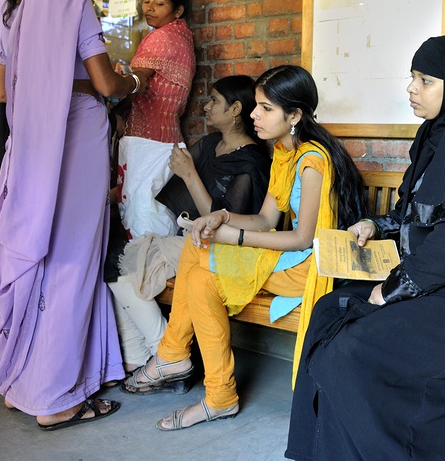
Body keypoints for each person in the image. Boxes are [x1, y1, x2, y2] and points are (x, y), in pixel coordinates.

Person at [286, 35, 445, 460]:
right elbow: (420, 213)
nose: (412, 88)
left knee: (351, 350)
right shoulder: (439, 134)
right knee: (331, 311)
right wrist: (374, 224)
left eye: (425, 80)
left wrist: (390, 291)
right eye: (412, 78)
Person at [123, 65, 365, 432]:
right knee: (201, 262)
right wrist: (219, 217)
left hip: (310, 267)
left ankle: (175, 358)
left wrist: (232, 237)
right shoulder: (285, 153)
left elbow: (303, 238)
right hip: (290, 257)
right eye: (257, 105)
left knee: (201, 254)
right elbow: (266, 220)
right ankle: (216, 394)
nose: (254, 114)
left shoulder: (313, 161)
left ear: (295, 115)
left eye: (266, 108)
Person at [0, 0, 147, 430]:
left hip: (29, 141)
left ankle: (21, 383)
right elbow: (103, 83)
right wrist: (130, 82)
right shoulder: (73, 1)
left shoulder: (1, 10)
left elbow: (3, 92)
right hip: (75, 138)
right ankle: (56, 399)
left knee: (36, 254)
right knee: (73, 261)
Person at [108, 75, 271, 373]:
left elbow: (222, 225)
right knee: (115, 261)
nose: (206, 107)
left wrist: (190, 175)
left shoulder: (251, 161)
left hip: (225, 247)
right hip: (191, 237)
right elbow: (175, 194)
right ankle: (138, 354)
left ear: (235, 109)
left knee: (121, 264)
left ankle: (164, 350)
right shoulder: (210, 144)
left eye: (214, 101)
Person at [121, 0, 195, 143]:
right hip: (169, 134)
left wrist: (116, 111)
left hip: (145, 135)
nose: (149, 8)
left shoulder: (161, 37)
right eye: (146, 1)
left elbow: (137, 82)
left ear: (178, 11)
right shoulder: (182, 36)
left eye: (159, 3)